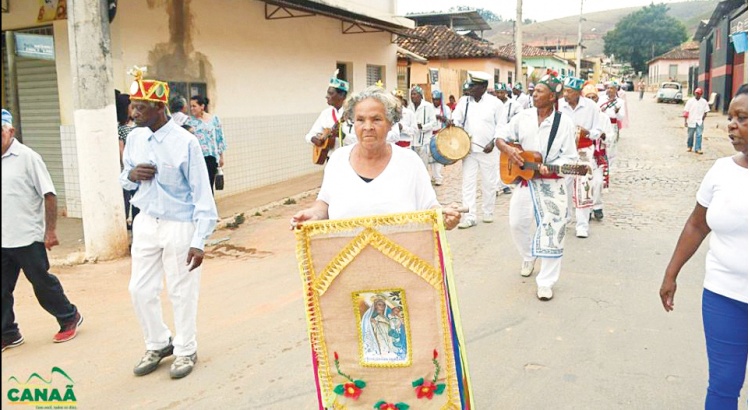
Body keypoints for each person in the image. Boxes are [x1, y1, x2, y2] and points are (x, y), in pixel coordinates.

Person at [120, 68, 218, 379]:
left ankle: (186, 349)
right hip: (146, 221)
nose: (134, 112)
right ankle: (159, 342)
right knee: (139, 289)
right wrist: (132, 176)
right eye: (133, 105)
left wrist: (199, 240)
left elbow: (203, 196)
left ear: (160, 108)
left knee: (181, 290)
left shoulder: (185, 142)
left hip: (180, 224)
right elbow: (125, 178)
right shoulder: (135, 138)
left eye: (141, 107)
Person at [659, 84, 748, 409]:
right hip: (724, 297)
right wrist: (671, 274)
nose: (732, 125)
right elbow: (697, 224)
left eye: (742, 118)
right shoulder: (721, 171)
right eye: (731, 117)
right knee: (724, 385)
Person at [290, 86, 460, 230]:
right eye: (360, 120)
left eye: (377, 119)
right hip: (346, 262)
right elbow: (325, 203)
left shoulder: (410, 162)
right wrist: (314, 214)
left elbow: (429, 206)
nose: (368, 127)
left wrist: (444, 216)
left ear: (390, 123)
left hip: (401, 264)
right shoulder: (338, 160)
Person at [1, 108, 83, 352]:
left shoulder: (28, 158)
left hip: (28, 236)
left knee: (41, 283)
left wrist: (51, 231)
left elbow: (49, 194)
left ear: (10, 131)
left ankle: (69, 316)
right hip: (3, 238)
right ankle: (8, 332)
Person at [495, 72, 578, 301]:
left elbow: (571, 158)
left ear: (552, 97)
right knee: (516, 222)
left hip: (552, 183)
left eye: (539, 91)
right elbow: (500, 135)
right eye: (534, 91)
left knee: (553, 231)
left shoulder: (565, 123)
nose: (534, 94)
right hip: (525, 180)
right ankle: (529, 256)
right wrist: (508, 149)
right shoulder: (523, 116)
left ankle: (546, 282)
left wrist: (551, 166)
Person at [451, 71, 503, 228]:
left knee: (489, 183)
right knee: (468, 183)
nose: (470, 88)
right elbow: (456, 120)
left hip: (489, 151)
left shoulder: (495, 104)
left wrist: (493, 142)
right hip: (469, 151)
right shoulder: (464, 101)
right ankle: (469, 216)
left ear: (483, 87)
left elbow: (501, 126)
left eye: (473, 86)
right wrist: (451, 123)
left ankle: (488, 212)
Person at [558, 76, 602, 239]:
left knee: (583, 186)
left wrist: (588, 132)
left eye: (569, 91)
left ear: (578, 93)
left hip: (584, 151)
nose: (566, 94)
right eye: (565, 91)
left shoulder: (590, 106)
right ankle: (566, 217)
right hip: (565, 151)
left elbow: (598, 130)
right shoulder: (560, 106)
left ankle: (582, 225)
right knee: (565, 185)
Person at [305, 72, 356, 159]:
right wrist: (316, 140)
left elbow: (360, 141)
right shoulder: (326, 113)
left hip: (351, 158)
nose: (326, 96)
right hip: (331, 159)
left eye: (330, 93)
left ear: (342, 95)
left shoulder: (353, 114)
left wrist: (343, 136)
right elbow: (309, 135)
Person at [583, 84, 612, 221]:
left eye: (593, 97)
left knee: (598, 182)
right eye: (588, 97)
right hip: (583, 155)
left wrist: (604, 136)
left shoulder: (604, 117)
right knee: (586, 183)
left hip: (598, 155)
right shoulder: (581, 115)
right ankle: (587, 209)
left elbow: (610, 136)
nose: (591, 100)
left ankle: (597, 206)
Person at [188, 95, 227, 194]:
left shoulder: (214, 119)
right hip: (197, 158)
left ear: (202, 106)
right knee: (201, 185)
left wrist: (221, 156)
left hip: (211, 157)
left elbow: (219, 138)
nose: (192, 108)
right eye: (191, 106)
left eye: (194, 106)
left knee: (210, 184)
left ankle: (210, 206)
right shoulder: (190, 122)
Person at [116, 91, 139, 229]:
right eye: (132, 106)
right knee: (126, 200)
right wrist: (128, 168)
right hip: (129, 170)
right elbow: (121, 150)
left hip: (139, 169)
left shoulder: (138, 126)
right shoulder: (121, 128)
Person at [410, 86, 436, 171]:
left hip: (424, 142)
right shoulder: (409, 107)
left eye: (415, 94)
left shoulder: (428, 106)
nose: (412, 96)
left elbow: (433, 122)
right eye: (411, 94)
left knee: (423, 167)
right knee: (413, 166)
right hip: (412, 141)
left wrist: (423, 127)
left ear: (420, 95)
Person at [430, 89, 452, 186]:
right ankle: (434, 176)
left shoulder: (446, 109)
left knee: (438, 156)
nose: (435, 101)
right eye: (434, 99)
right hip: (430, 134)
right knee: (431, 156)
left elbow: (450, 121)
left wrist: (443, 118)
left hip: (440, 134)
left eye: (437, 99)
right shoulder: (429, 107)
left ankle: (438, 177)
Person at [600, 83, 626, 162]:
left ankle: (609, 164)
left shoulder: (620, 102)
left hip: (612, 125)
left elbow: (621, 117)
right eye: (608, 88)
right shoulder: (601, 99)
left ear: (615, 90)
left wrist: (617, 112)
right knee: (600, 144)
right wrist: (600, 111)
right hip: (602, 125)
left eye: (611, 88)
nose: (609, 90)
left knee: (611, 146)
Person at [683, 88, 710, 155]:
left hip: (699, 121)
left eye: (699, 94)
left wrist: (703, 119)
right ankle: (689, 146)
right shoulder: (690, 101)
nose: (697, 95)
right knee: (690, 135)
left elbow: (706, 111)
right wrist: (685, 121)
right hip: (691, 120)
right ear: (694, 93)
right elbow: (686, 111)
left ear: (701, 94)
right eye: (696, 93)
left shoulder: (704, 102)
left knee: (699, 135)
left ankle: (698, 148)